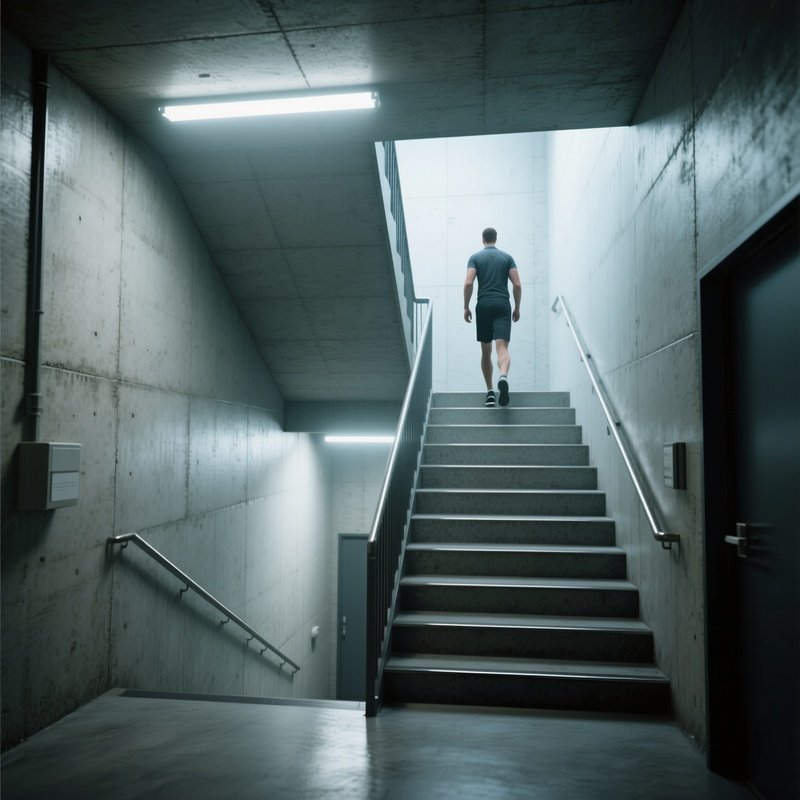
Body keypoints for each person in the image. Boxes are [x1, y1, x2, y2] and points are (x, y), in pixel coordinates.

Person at [463, 227, 521, 407]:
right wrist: (517, 307)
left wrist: (466, 306)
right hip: (502, 305)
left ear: (483, 239)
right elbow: (517, 284)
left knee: (486, 351)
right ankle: (503, 376)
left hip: (484, 305)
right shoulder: (507, 258)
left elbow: (468, 282)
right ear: (496, 238)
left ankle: (490, 392)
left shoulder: (475, 258)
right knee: (502, 349)